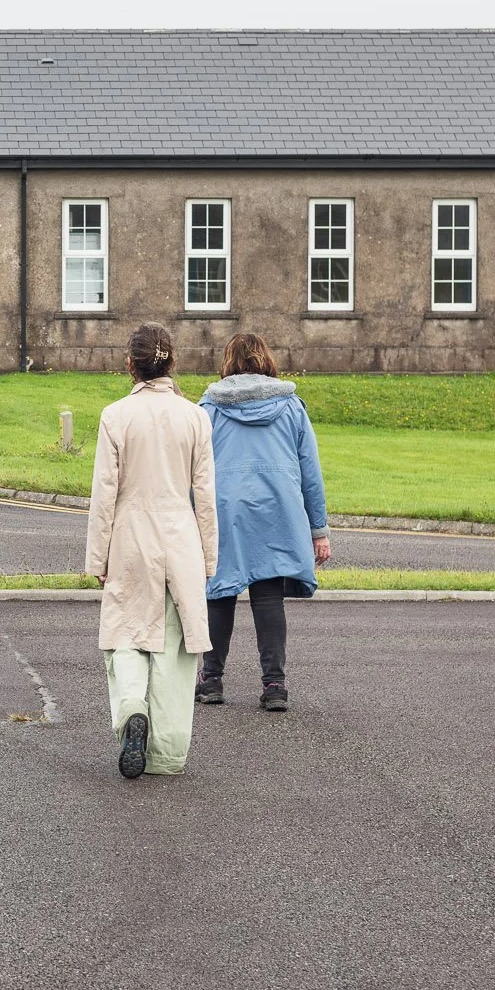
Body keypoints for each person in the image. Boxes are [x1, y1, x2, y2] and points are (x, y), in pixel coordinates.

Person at [85, 323, 218, 779]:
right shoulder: (196, 417)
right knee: (175, 654)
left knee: (124, 635)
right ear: (171, 362)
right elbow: (205, 494)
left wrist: (96, 558)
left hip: (129, 540)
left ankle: (130, 709)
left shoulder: (115, 415)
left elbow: (104, 493)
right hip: (180, 539)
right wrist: (210, 558)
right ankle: (165, 754)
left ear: (131, 364)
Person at [195, 333, 331, 713]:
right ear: (266, 360)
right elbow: (310, 473)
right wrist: (318, 530)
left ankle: (212, 679)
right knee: (269, 596)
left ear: (229, 362)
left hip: (226, 510)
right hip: (278, 508)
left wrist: (193, 518)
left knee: (219, 593)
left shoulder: (209, 408)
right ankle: (274, 684)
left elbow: (196, 471)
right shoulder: (291, 407)